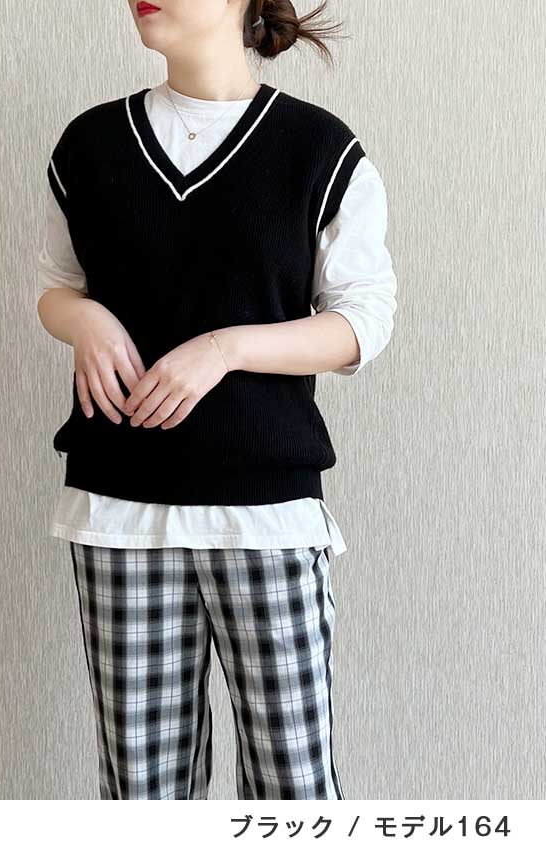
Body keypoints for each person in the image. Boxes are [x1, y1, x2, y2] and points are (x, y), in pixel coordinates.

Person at [36, 0, 397, 800]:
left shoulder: (318, 149)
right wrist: (83, 320)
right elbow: (56, 287)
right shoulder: (89, 146)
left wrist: (225, 349)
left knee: (293, 790)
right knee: (142, 796)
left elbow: (363, 323)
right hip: (118, 511)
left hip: (264, 515)